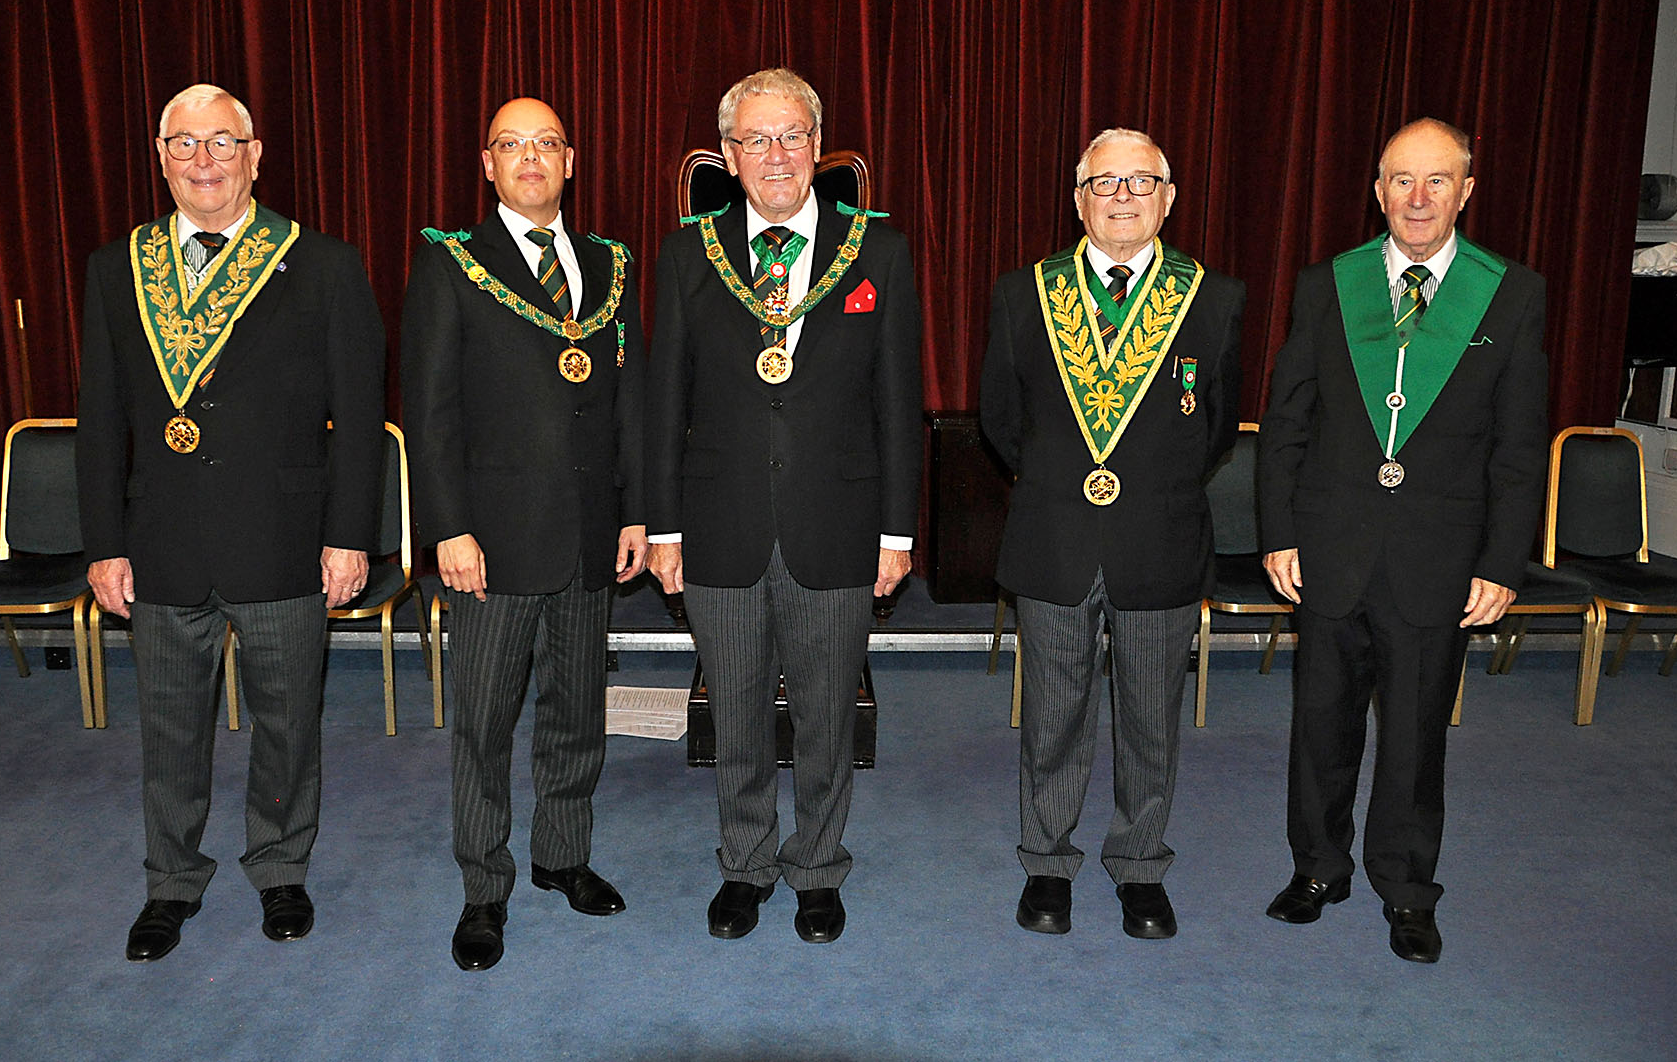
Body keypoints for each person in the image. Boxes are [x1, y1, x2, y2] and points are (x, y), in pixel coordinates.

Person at [77, 82, 385, 962]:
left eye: (222, 143)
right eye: (184, 143)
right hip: (163, 539)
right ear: (161, 156)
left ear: (256, 156)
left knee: (289, 721)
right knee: (170, 726)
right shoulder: (117, 267)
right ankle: (170, 882)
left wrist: (349, 533)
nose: (203, 161)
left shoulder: (321, 263)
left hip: (286, 535)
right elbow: (100, 415)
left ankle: (280, 868)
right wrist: (104, 543)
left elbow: (361, 417)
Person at [1258, 118, 1547, 964]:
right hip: (1330, 546)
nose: (1417, 199)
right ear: (1377, 189)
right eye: (1400, 180)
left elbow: (1519, 447)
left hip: (1439, 557)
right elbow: (1287, 422)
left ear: (1466, 189)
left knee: (1417, 735)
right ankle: (1317, 869)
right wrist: (1278, 531)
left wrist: (1502, 561)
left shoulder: (1511, 292)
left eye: (1436, 180)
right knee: (1319, 722)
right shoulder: (1328, 283)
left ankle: (1407, 889)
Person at [646, 67, 921, 944]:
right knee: (734, 711)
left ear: (818, 146)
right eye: (755, 138)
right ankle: (746, 864)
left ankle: (817, 867)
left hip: (837, 525)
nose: (775, 154)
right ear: (727, 155)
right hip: (719, 522)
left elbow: (897, 400)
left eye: (792, 135)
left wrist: (897, 531)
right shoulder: (690, 251)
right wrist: (662, 526)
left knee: (826, 713)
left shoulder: (876, 248)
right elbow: (665, 401)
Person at [980, 128, 1244, 941]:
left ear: (1169, 197)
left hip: (1159, 538)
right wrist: (1068, 482)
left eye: (1142, 182)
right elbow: (1001, 418)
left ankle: (1139, 867)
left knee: (1150, 722)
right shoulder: (1025, 293)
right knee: (1053, 716)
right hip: (1054, 536)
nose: (1123, 197)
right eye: (1105, 183)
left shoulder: (1214, 297)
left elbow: (1219, 430)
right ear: (1077, 197)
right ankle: (1048, 865)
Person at [402, 97, 646, 972]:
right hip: (491, 546)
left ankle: (563, 855)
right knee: (485, 724)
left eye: (546, 143)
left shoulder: (609, 264)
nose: (531, 158)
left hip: (587, 537)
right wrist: (449, 530)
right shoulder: (453, 263)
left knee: (578, 711)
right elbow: (429, 413)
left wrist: (637, 513)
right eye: (513, 144)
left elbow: (632, 406)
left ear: (571, 161)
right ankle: (483, 888)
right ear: (487, 163)